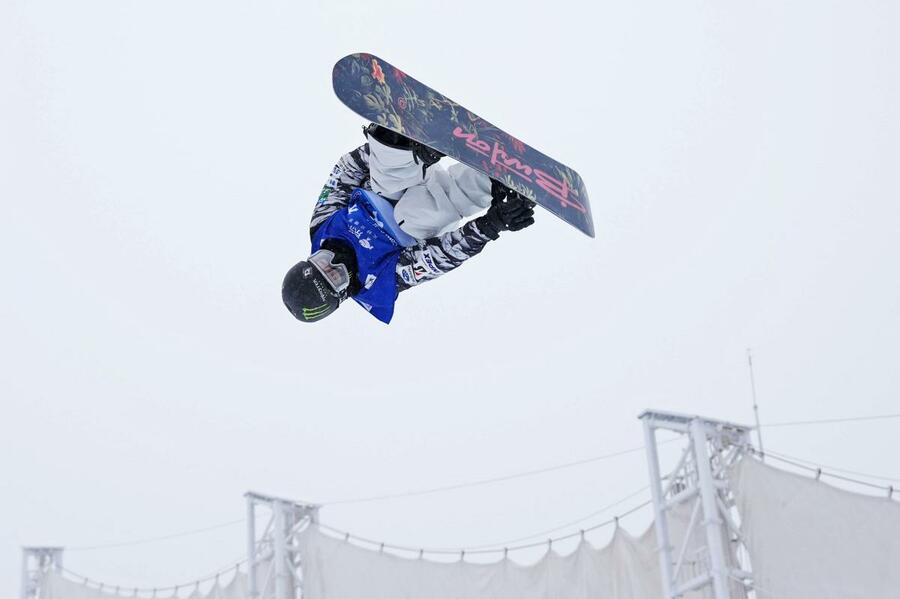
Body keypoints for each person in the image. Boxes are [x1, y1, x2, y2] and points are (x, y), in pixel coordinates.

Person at [282, 124, 535, 324]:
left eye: (323, 262)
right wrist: (491, 224)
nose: (336, 261)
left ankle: (403, 143)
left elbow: (343, 174)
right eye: (336, 275)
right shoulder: (377, 285)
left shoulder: (323, 227)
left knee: (385, 180)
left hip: (394, 178)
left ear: (312, 257)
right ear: (344, 292)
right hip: (425, 207)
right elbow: (435, 258)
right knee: (414, 217)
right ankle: (490, 182)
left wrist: (379, 150)